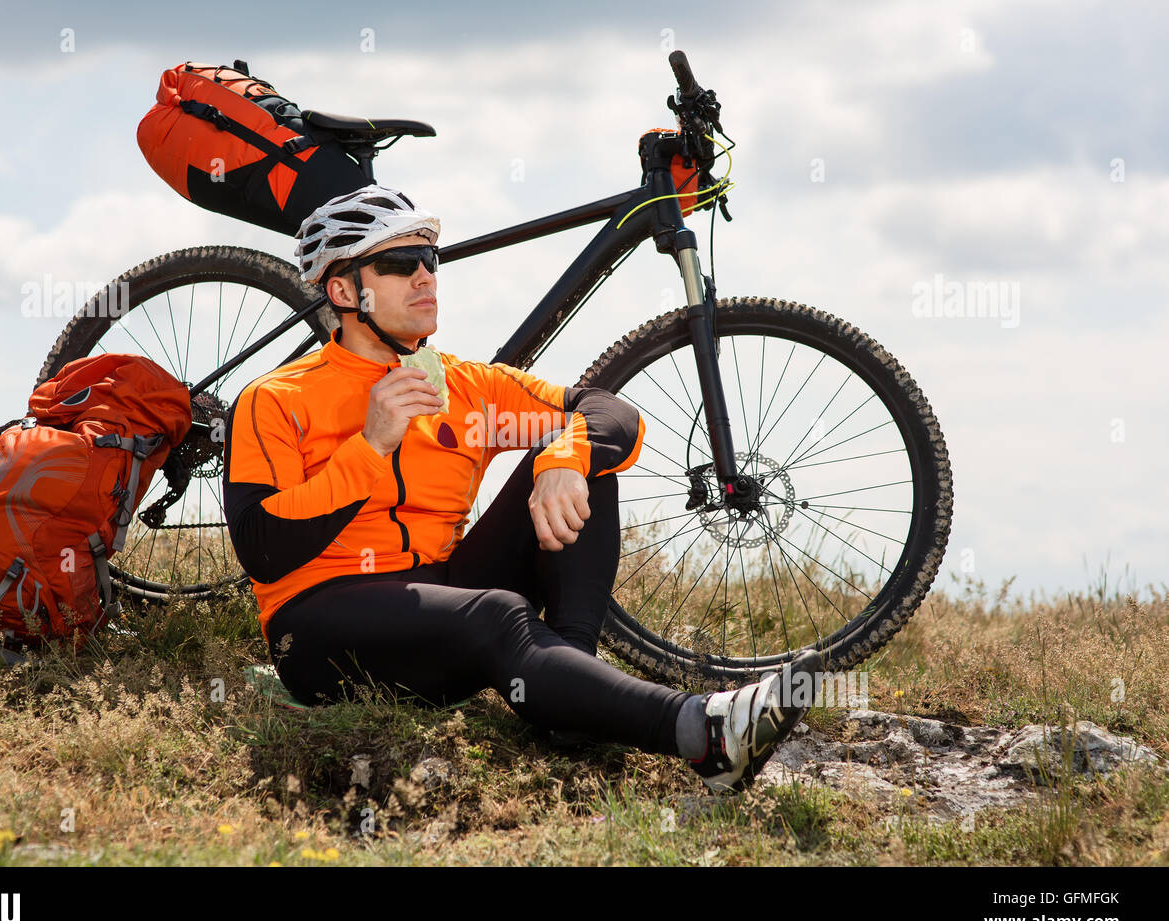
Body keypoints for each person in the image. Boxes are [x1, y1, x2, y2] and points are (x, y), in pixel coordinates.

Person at [222, 184, 822, 793]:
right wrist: (370, 447)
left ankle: (570, 698)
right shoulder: (277, 399)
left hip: (439, 603)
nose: (426, 277)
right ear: (344, 291)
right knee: (497, 613)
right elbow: (262, 550)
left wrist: (563, 457)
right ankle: (701, 731)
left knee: (583, 460)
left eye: (431, 260)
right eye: (401, 264)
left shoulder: (468, 387)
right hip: (320, 627)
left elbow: (607, 410)